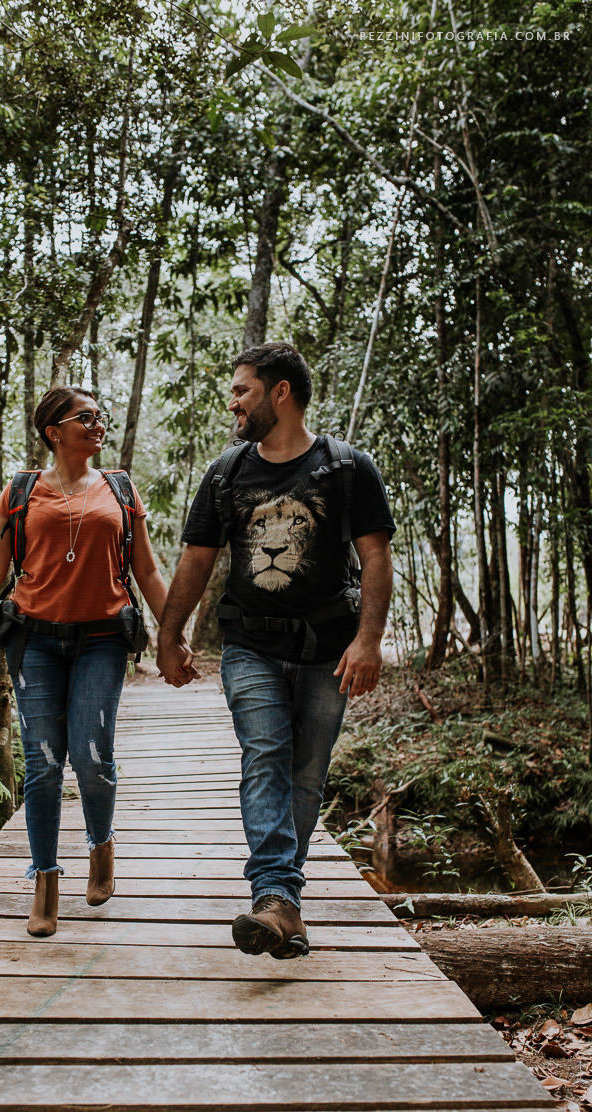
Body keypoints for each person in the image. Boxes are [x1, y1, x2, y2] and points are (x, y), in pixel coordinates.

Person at [157, 343, 394, 959]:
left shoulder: (348, 468)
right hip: (251, 645)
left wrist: (369, 641)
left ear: (280, 392)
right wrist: (169, 633)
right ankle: (274, 894)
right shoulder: (227, 472)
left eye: (242, 390)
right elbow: (197, 558)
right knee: (265, 756)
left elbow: (375, 557)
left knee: (307, 776)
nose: (232, 402)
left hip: (329, 649)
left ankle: (284, 906)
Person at [0, 385, 194, 937]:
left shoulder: (120, 489)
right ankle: (45, 881)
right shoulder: (22, 491)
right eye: (86, 417)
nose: (98, 424)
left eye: (101, 416)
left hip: (103, 638)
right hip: (34, 642)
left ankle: (101, 846)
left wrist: (172, 636)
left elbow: (147, 570)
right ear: (54, 432)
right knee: (44, 762)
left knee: (93, 756)